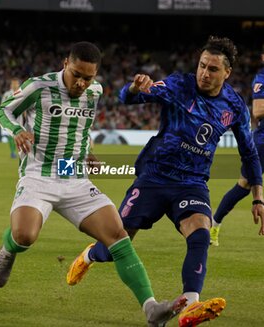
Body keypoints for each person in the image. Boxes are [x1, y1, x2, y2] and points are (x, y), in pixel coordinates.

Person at [66, 36, 264, 327]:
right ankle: (89, 255)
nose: (204, 74)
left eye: (212, 69)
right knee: (115, 243)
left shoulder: (234, 105)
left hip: (192, 182)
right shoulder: (178, 85)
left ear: (227, 73)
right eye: (201, 66)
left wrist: (258, 196)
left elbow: (249, 153)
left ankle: (191, 304)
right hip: (154, 176)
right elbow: (128, 97)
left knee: (200, 232)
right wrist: (135, 87)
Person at [0, 41, 187, 327]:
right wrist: (18, 130)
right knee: (25, 236)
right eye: (77, 75)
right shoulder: (39, 87)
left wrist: (89, 153)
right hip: (38, 173)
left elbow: (83, 130)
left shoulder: (94, 92)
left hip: (74, 175)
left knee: (118, 233)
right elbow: (4, 111)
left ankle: (151, 308)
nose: (82, 83)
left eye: (88, 78)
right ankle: (9, 250)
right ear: (65, 64)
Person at [211, 46, 264, 246]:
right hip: (263, 141)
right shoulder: (261, 79)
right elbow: (258, 111)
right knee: (244, 185)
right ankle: (214, 225)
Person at [1, 78, 25, 159]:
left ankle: (20, 152)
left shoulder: (22, 93)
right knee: (11, 135)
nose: (15, 85)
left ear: (18, 84)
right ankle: (12, 152)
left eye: (16, 84)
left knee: (20, 135)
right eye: (13, 84)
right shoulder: (7, 94)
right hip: (10, 117)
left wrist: (25, 117)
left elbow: (25, 106)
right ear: (11, 85)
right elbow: (2, 106)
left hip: (19, 117)